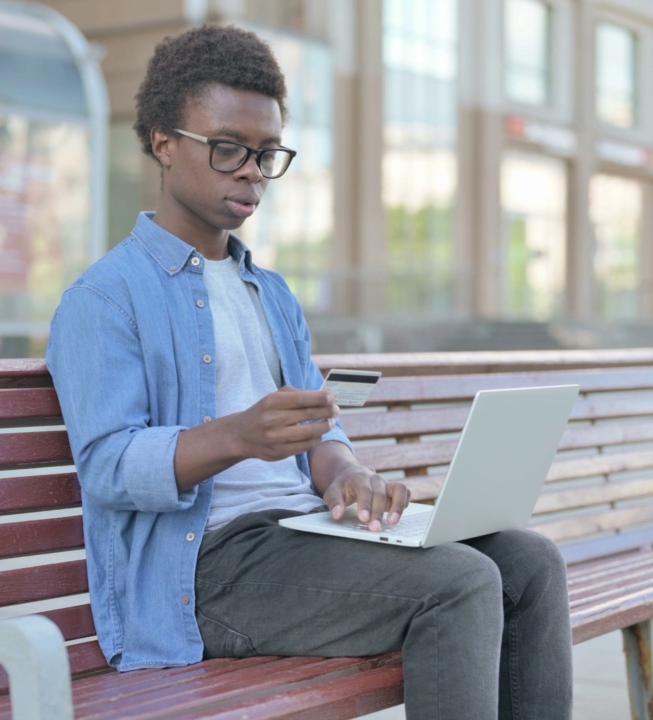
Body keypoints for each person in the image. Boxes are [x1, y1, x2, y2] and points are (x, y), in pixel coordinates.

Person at [46, 23, 572, 719]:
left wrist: (345, 472)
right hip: (205, 573)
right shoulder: (105, 298)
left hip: (302, 538)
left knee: (531, 563)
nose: (252, 172)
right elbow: (109, 465)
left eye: (267, 154)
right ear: (164, 143)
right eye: (229, 148)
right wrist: (236, 437)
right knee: (460, 584)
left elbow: (317, 428)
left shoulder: (270, 292)